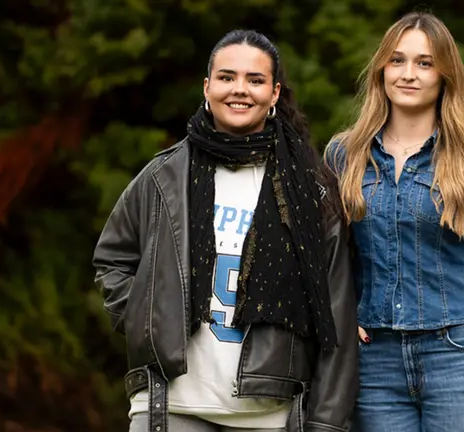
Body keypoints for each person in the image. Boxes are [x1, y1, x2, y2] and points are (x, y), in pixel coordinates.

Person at [93, 29, 359, 432]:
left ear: (274, 94)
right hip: (171, 406)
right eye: (227, 77)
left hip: (267, 415)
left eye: (255, 80)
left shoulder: (310, 191)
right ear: (207, 86)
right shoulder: (163, 178)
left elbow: (337, 313)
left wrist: (326, 423)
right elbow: (113, 259)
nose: (240, 90)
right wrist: (148, 319)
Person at [325, 12, 464, 432]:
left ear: (445, 75)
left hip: (459, 355)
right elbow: (328, 261)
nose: (408, 74)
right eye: (397, 60)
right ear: (381, 70)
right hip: (375, 362)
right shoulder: (343, 156)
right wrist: (343, 316)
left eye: (424, 62)